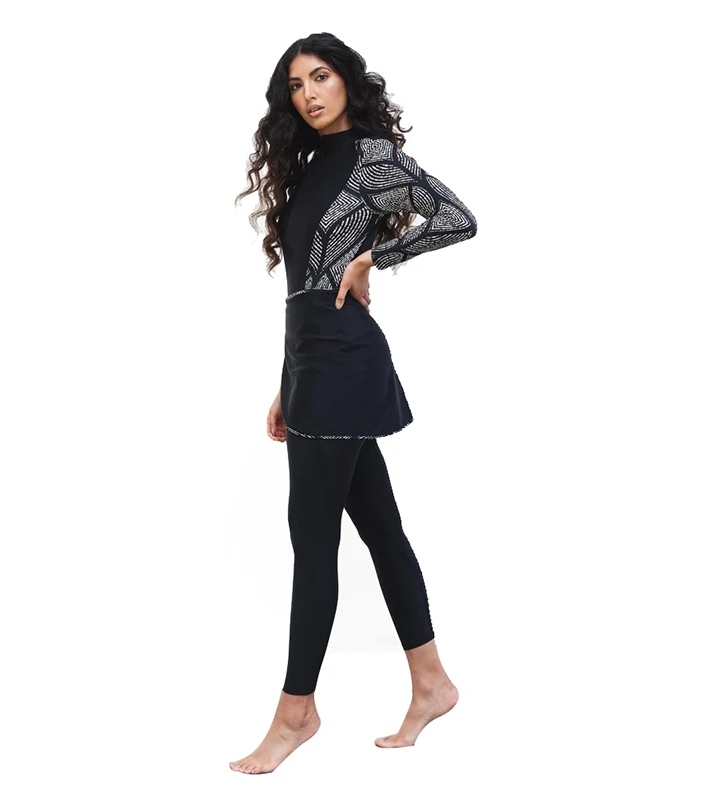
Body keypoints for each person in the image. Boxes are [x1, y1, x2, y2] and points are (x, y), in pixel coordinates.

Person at [231, 32, 477, 775]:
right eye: (296, 84)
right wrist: (286, 380)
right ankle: (432, 683)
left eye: (321, 77)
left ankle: (296, 713)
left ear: (347, 81)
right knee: (380, 528)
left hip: (344, 359)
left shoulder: (373, 158)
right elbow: (302, 288)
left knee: (313, 537)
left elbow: (457, 218)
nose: (309, 94)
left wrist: (377, 257)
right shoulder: (310, 166)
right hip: (313, 360)